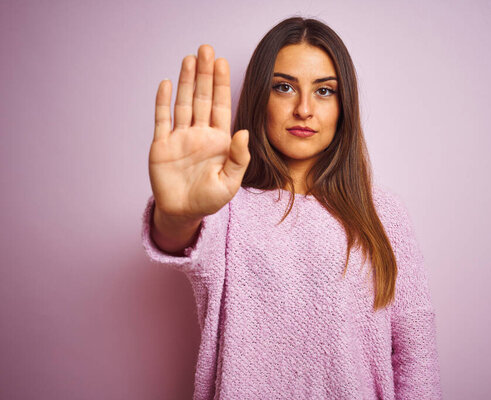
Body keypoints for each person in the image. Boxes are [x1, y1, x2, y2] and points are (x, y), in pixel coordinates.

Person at [141, 16, 442, 399]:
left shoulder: (382, 211)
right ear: (258, 98)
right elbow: (178, 239)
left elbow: (415, 350)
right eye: (284, 87)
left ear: (344, 105)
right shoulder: (224, 206)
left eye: (324, 91)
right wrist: (179, 214)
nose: (303, 109)